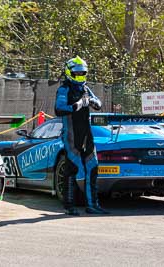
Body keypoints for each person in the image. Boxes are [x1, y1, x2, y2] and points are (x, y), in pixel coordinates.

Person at [54, 56, 108, 215]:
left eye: (82, 73)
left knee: (93, 166)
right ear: (69, 72)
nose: (80, 76)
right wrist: (78, 105)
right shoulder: (64, 89)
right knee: (73, 168)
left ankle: (93, 205)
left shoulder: (85, 88)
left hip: (86, 134)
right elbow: (59, 109)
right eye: (76, 73)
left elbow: (98, 104)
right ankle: (69, 206)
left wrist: (92, 101)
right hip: (71, 135)